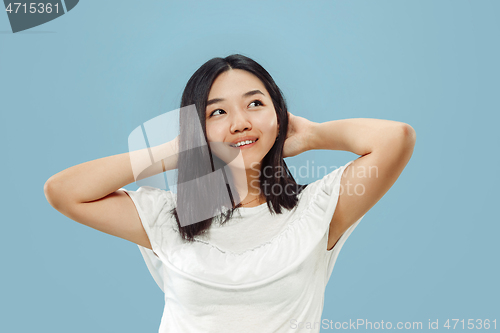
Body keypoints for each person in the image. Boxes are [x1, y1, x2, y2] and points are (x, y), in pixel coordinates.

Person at [44, 54, 416, 332]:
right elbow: (64, 191)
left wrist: (314, 136)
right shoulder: (167, 217)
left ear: (279, 114)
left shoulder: (318, 208)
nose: (240, 123)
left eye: (255, 104)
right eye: (216, 113)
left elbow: (396, 138)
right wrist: (177, 150)